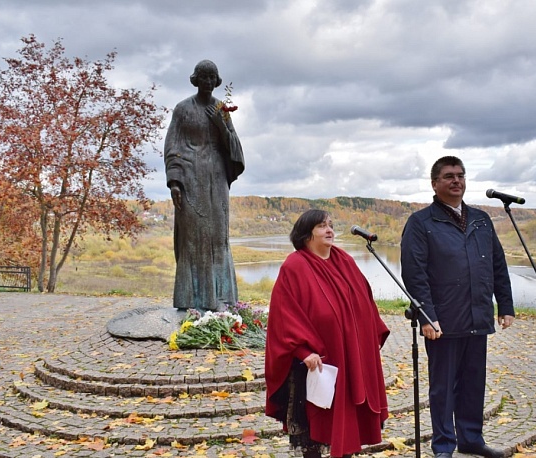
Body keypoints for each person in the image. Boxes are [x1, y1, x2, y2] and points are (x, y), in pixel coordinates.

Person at [401, 156, 515, 458]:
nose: (457, 181)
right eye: (449, 176)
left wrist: (505, 304)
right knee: (443, 389)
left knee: (473, 384)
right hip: (442, 323)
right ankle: (443, 446)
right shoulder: (421, 223)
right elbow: (414, 273)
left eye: (461, 175)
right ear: (435, 183)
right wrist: (427, 316)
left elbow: (497, 265)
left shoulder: (481, 219)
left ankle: (471, 439)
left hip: (478, 317)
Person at [265, 209, 390, 458]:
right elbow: (284, 316)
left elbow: (365, 301)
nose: (330, 230)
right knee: (315, 431)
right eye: (322, 226)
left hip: (349, 358)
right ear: (306, 234)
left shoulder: (345, 261)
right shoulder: (295, 266)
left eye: (331, 225)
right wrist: (303, 351)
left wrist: (368, 338)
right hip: (315, 364)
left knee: (348, 426)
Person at [164, 59, 245, 311]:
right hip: (190, 180)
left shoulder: (221, 109)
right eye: (204, 77)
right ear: (196, 79)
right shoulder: (182, 109)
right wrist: (174, 181)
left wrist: (221, 125)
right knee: (193, 237)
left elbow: (235, 148)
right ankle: (190, 299)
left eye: (213, 77)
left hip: (217, 180)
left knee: (218, 236)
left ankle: (222, 298)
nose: (209, 82)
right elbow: (172, 146)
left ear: (217, 80)